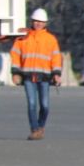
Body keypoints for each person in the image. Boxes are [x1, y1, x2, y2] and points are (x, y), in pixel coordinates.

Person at [11, 8, 62, 141]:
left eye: (41, 22)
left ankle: (41, 127)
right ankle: (35, 130)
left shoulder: (50, 39)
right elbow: (15, 55)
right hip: (28, 76)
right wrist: (15, 73)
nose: (38, 24)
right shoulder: (22, 38)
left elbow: (56, 57)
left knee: (45, 105)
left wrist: (56, 73)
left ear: (45, 23)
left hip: (44, 77)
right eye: (36, 21)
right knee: (32, 104)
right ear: (32, 21)